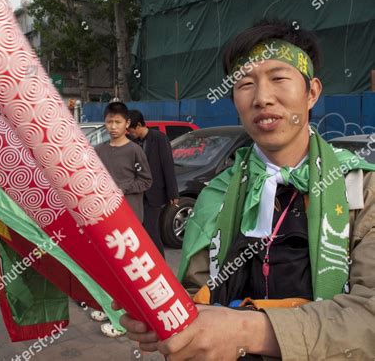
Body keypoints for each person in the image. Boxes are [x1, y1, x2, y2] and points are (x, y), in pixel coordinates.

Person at [117, 19, 375, 359]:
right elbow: (197, 292)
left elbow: (368, 314)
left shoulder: (361, 187)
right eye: (245, 83)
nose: (262, 98)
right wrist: (167, 319)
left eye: (279, 78)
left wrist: (247, 331)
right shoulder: (217, 194)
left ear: (312, 92)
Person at [93, 102, 153, 338]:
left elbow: (146, 181)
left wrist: (121, 188)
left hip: (129, 220)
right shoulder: (99, 150)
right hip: (103, 218)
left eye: (118, 122)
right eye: (109, 122)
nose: (113, 127)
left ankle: (124, 320)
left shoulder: (135, 151)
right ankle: (108, 307)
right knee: (107, 268)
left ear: (127, 124)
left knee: (127, 270)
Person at [128, 110, 179, 257]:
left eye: (131, 130)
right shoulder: (133, 142)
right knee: (140, 230)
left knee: (151, 230)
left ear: (138, 125)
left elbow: (167, 166)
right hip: (138, 194)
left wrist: (173, 193)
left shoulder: (159, 139)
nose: (130, 133)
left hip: (155, 193)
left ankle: (160, 263)